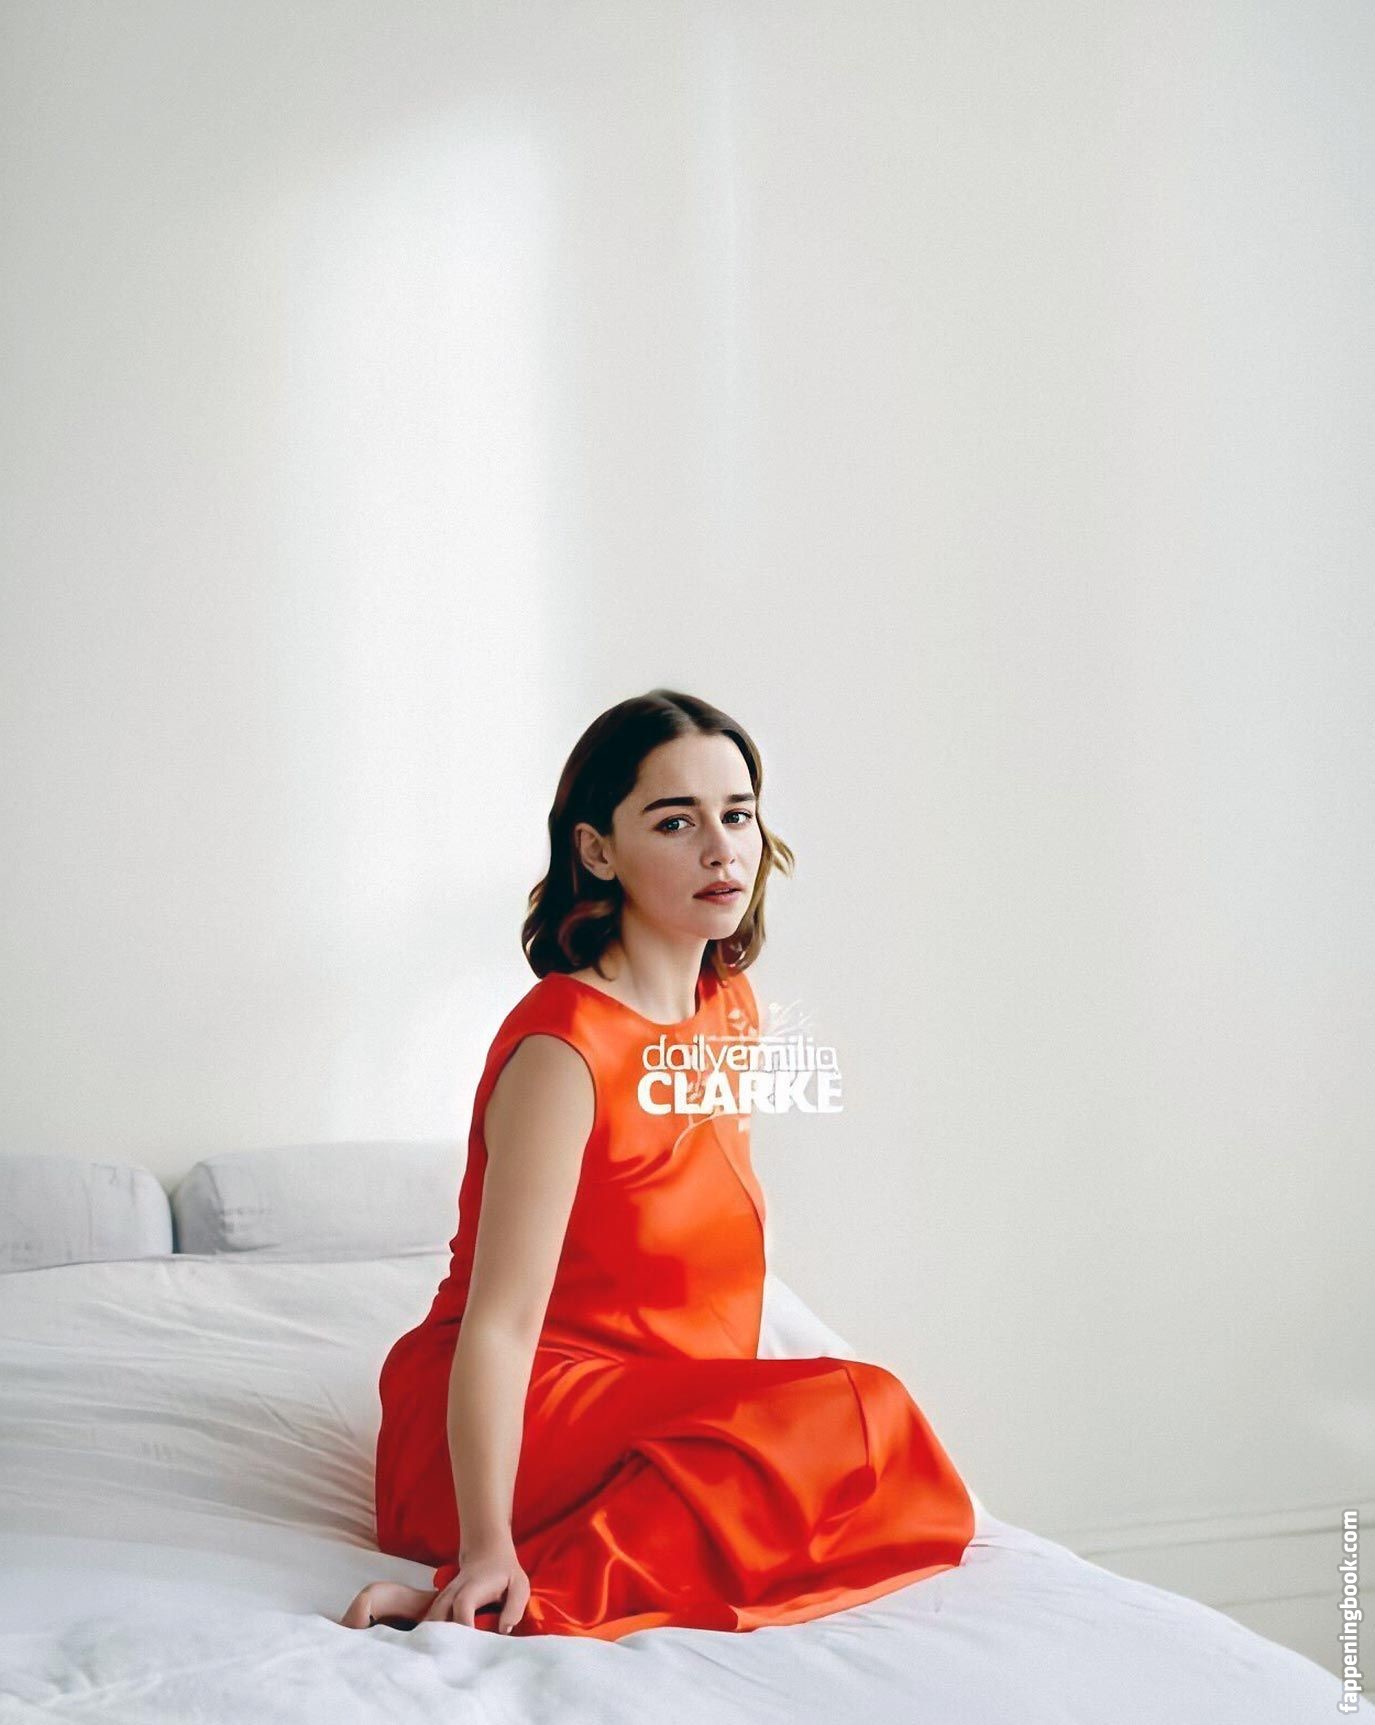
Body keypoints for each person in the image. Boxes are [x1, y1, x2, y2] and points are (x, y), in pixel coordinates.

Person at [340, 688, 975, 1637]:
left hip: (648, 1414)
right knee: (864, 1404)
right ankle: (518, 1597)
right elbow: (501, 1323)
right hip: (516, 1424)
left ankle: (636, 1523)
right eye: (676, 822)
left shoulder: (731, 1004)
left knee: (885, 1461)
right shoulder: (563, 1050)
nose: (721, 850)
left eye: (737, 815)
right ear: (597, 850)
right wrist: (485, 1546)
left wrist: (740, 1422)